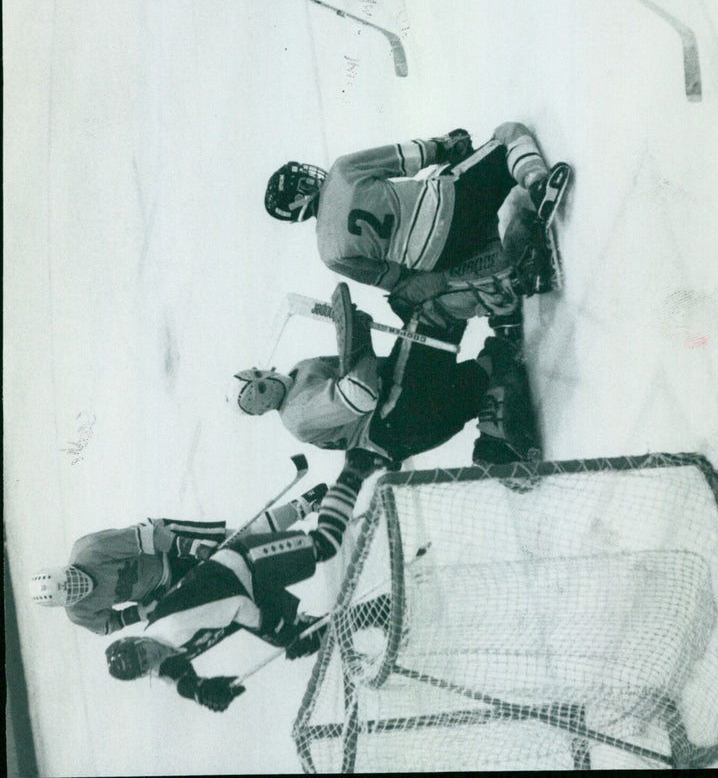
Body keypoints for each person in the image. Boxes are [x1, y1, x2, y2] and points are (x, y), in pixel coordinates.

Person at [104, 450, 387, 711]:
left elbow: (238, 606)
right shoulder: (162, 659)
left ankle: (354, 469)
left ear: (137, 639)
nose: (149, 659)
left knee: (324, 545)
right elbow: (177, 679)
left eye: (142, 653)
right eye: (144, 666)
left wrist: (277, 628)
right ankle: (382, 610)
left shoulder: (173, 627)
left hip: (247, 564)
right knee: (306, 633)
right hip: (245, 595)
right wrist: (200, 692)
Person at [263, 123, 571, 335]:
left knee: (457, 262)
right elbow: (410, 156)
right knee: (508, 134)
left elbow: (395, 279)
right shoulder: (342, 171)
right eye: (301, 178)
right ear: (302, 191)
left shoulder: (329, 253)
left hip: (442, 256)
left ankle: (511, 279)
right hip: (456, 204)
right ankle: (537, 183)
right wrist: (445, 146)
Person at [235, 283, 539, 470]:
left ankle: (495, 444)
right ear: (261, 412)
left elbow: (372, 370)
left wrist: (360, 336)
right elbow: (360, 394)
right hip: (394, 419)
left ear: (261, 370)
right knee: (428, 314)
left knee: (495, 363)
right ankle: (503, 284)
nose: (266, 389)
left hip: (407, 420)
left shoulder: (300, 374)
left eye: (259, 382)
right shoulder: (297, 414)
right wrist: (361, 340)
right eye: (258, 395)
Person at [28, 485, 327, 635]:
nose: (79, 586)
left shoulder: (90, 550)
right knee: (230, 589)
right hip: (160, 588)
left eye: (70, 580)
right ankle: (295, 619)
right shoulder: (79, 613)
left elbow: (148, 537)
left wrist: (194, 547)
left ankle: (303, 506)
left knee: (239, 542)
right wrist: (140, 613)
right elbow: (109, 624)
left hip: (165, 546)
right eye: (72, 592)